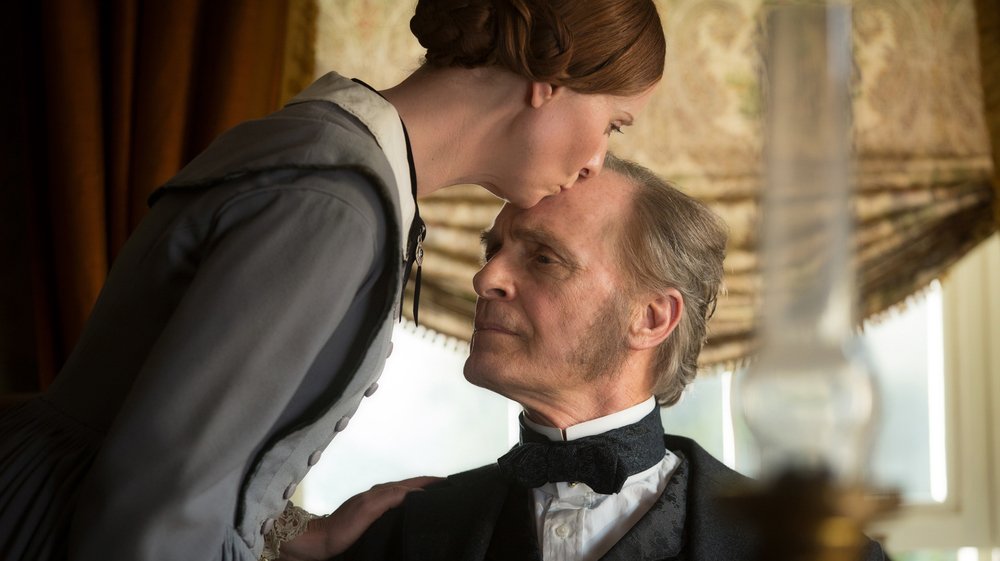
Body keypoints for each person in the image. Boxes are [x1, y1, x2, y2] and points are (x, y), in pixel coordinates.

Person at [0, 2, 666, 560]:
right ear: (549, 78)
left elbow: (186, 451)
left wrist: (296, 531)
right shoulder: (334, 205)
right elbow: (156, 505)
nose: (596, 161)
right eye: (612, 123)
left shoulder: (327, 159)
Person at [294, 154, 889, 561]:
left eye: (543, 258)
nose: (486, 278)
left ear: (651, 317)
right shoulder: (405, 534)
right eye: (492, 250)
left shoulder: (810, 550)